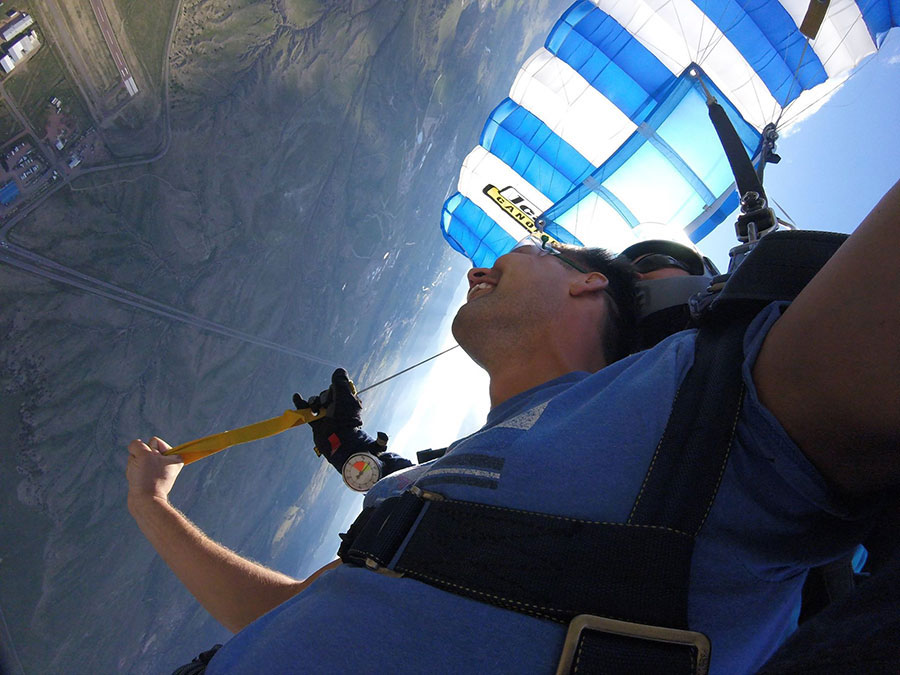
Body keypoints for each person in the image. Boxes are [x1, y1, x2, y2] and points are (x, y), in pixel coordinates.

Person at [126, 179, 900, 673]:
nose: (476, 266)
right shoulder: (423, 477)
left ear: (590, 282)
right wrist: (153, 508)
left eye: (526, 249)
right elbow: (285, 612)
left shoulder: (698, 398)